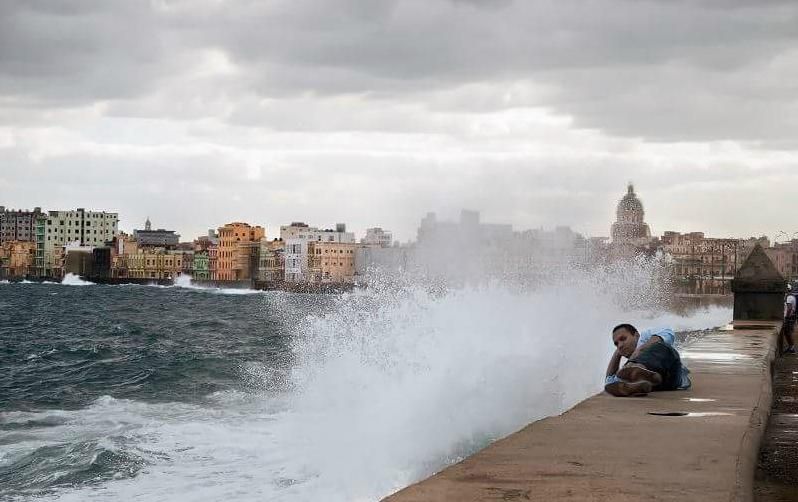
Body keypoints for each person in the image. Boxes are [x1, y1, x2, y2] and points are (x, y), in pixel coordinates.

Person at [604, 324, 691, 397]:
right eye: (616, 344)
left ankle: (640, 371)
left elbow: (668, 332)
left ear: (636, 335)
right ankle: (639, 385)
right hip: (656, 384)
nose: (620, 345)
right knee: (626, 375)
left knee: (661, 346)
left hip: (671, 376)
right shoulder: (627, 368)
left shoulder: (645, 338)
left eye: (623, 339)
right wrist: (617, 353)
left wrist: (640, 349)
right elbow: (610, 382)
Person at [781, 284, 797, 355]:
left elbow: (789, 308)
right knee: (787, 332)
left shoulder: (789, 297)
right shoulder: (789, 296)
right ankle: (790, 347)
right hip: (791, 317)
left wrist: (786, 317)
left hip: (789, 317)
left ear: (787, 289)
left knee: (788, 332)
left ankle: (792, 348)